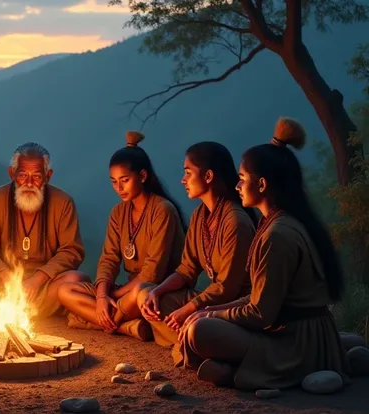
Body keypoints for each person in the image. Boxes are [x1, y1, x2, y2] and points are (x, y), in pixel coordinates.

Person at [178, 117, 351, 390]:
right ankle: (231, 369)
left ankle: (242, 371)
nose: (237, 185)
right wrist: (212, 308)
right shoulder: (275, 223)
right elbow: (261, 296)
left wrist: (211, 316)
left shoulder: (277, 234)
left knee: (200, 331)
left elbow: (261, 314)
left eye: (242, 179)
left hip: (294, 342)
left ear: (261, 185)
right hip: (290, 330)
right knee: (199, 322)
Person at [58, 131, 186, 340]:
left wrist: (114, 295)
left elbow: (153, 273)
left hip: (155, 292)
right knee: (64, 291)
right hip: (125, 293)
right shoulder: (118, 212)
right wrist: (101, 295)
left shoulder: (162, 210)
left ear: (142, 176)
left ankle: (98, 321)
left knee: (138, 293)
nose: (119, 188)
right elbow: (109, 258)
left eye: (124, 180)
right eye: (113, 181)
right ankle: (128, 327)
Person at [137, 142, 256, 359]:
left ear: (208, 176)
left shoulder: (235, 221)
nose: (183, 180)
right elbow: (187, 270)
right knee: (144, 294)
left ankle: (192, 345)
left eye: (188, 173)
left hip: (234, 307)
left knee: (198, 327)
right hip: (209, 302)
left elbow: (227, 288)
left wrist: (188, 309)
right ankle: (192, 345)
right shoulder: (200, 216)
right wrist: (157, 291)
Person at [0, 142, 88, 319]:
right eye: (23, 175)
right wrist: (8, 279)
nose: (29, 183)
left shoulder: (63, 202)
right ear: (12, 173)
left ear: (48, 176)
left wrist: (38, 279)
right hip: (3, 284)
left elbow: (71, 251)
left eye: (37, 177)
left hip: (45, 284)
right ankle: (35, 312)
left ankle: (10, 311)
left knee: (75, 280)